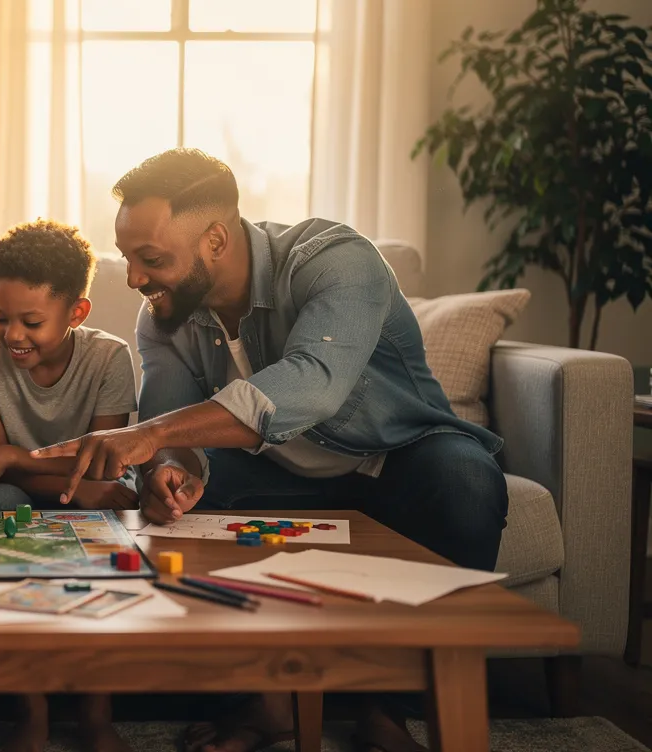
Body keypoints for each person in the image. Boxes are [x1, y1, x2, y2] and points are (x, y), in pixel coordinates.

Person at [34, 148, 509, 752]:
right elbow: (167, 427)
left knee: (468, 479)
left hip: (394, 456)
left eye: (150, 259)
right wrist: (170, 471)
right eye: (128, 257)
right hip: (271, 472)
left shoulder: (335, 259)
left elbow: (314, 381)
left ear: (213, 239)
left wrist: (152, 439)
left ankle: (388, 711)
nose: (132, 278)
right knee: (171, 516)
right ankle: (255, 704)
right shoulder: (163, 319)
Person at [0, 219, 136, 752]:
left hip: (89, 494)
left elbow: (104, 465)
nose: (12, 335)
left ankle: (96, 713)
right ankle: (32, 712)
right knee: (6, 508)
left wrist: (14, 456)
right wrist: (61, 480)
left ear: (77, 312)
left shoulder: (109, 357)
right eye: (1, 317)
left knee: (105, 530)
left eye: (30, 321)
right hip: (23, 494)